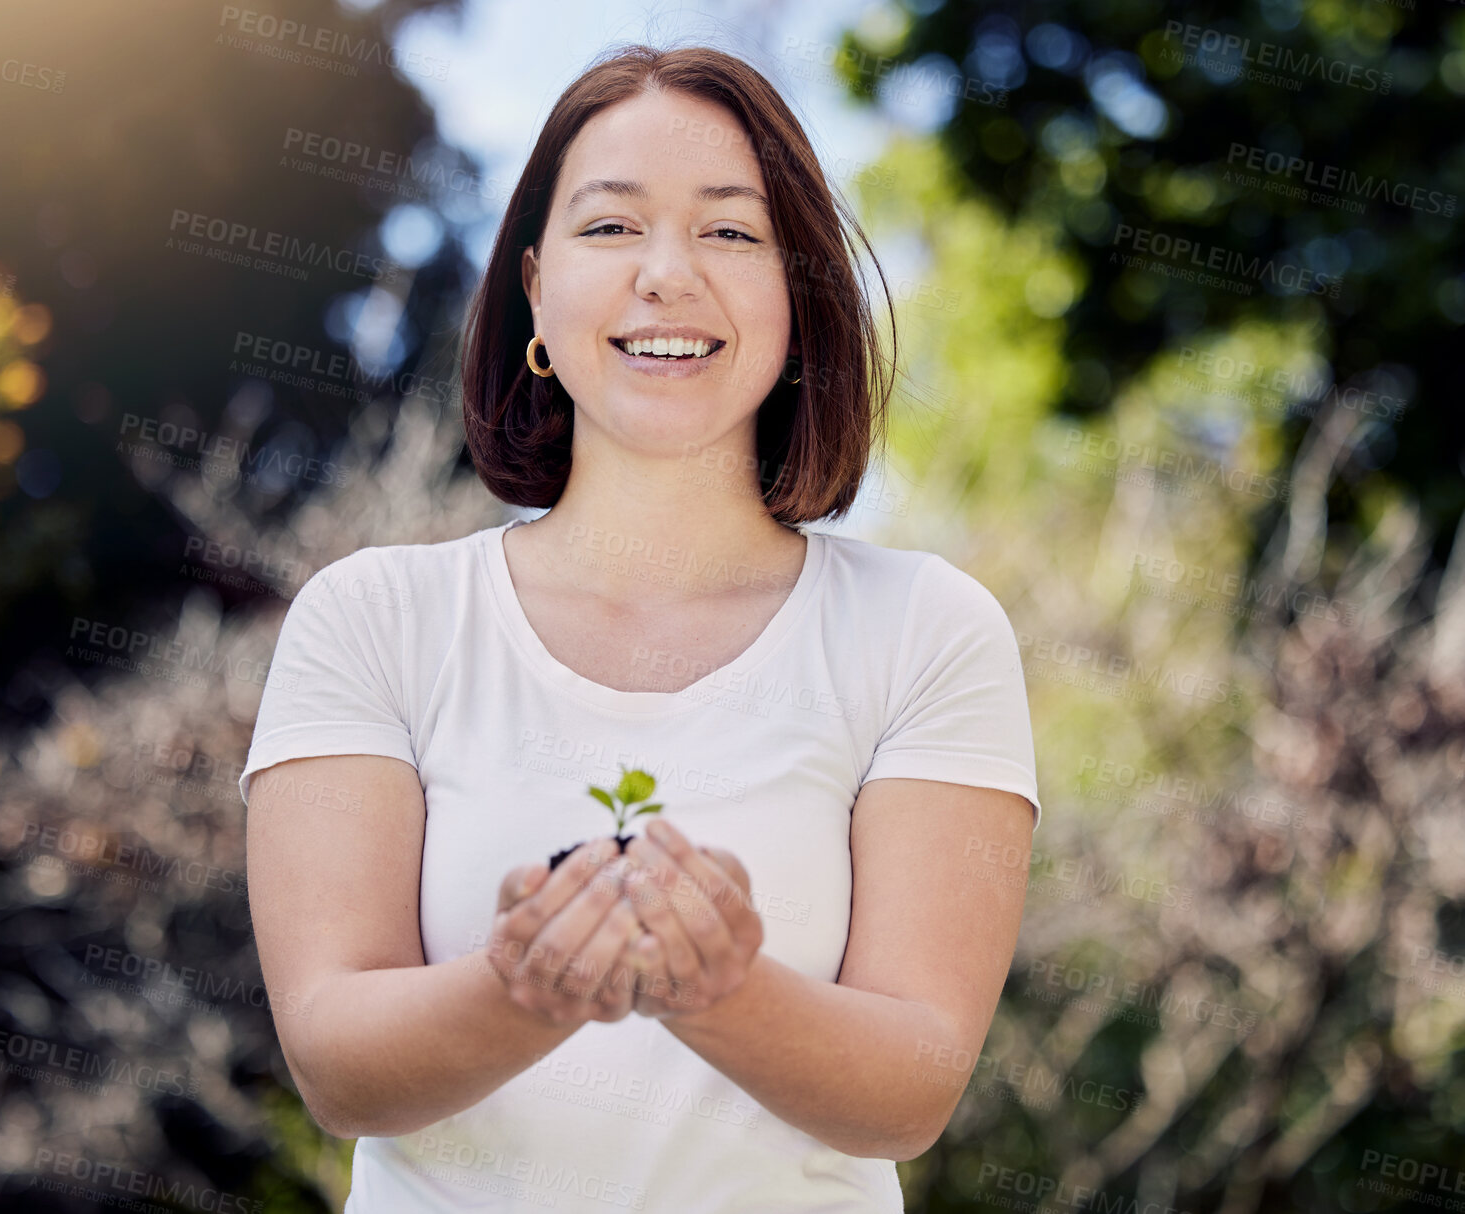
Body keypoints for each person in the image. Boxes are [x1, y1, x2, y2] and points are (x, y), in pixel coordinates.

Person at [240, 42, 1041, 1213]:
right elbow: (334, 1060)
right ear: (533, 288)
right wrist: (526, 986)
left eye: (730, 231)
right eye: (611, 228)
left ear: (797, 293)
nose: (666, 274)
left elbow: (911, 1087)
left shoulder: (924, 630)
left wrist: (716, 987)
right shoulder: (373, 620)